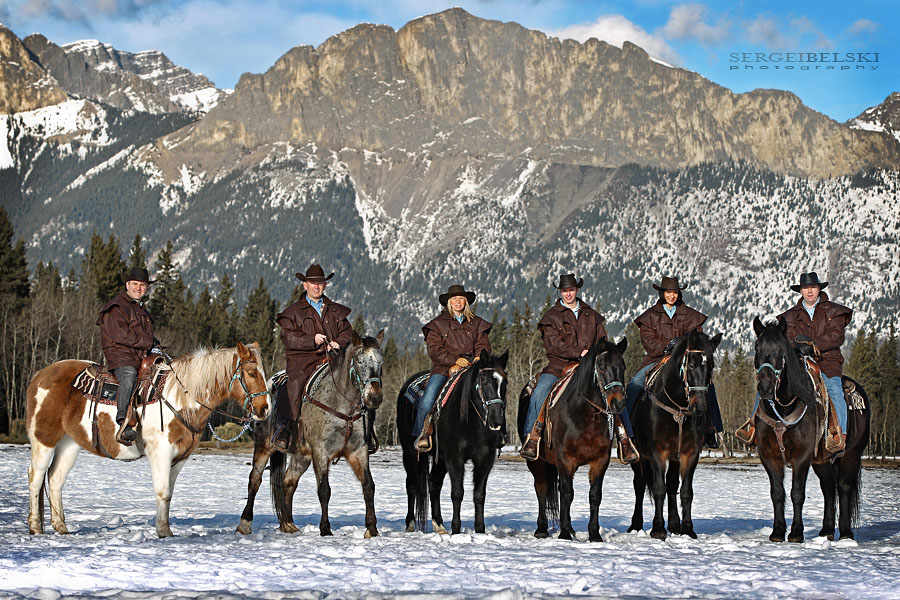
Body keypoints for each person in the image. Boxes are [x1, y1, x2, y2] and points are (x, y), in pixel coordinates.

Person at [520, 273, 637, 461]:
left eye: (571, 290)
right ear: (560, 292)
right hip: (559, 366)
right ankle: (532, 437)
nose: (568, 294)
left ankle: (625, 439)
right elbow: (552, 344)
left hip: (590, 368)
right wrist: (578, 352)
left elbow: (602, 342)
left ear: (577, 290)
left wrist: (596, 355)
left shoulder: (591, 314)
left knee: (614, 391)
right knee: (540, 392)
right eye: (565, 291)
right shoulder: (551, 316)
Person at [738, 272, 851, 453]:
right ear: (801, 291)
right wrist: (797, 347)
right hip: (797, 361)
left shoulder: (833, 311)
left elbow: (836, 337)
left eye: (813, 288)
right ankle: (753, 426)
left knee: (834, 389)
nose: (810, 292)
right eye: (806, 288)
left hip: (827, 361)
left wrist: (813, 345)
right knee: (767, 383)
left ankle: (839, 433)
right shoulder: (789, 316)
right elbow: (785, 340)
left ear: (819, 289)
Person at [624, 276, 723, 448]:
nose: (672, 296)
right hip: (656, 359)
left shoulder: (690, 315)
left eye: (675, 292)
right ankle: (627, 431)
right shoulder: (650, 316)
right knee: (634, 385)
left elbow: (698, 339)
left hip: (685, 360)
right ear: (662, 293)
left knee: (707, 385)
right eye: (668, 292)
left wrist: (682, 348)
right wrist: (668, 346)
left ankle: (711, 428)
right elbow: (648, 342)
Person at [273, 264, 353, 452]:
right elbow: (287, 337)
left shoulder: (335, 310)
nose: (316, 287)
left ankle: (361, 431)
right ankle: (285, 428)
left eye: (320, 283)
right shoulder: (293, 312)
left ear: (325, 285)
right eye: (312, 283)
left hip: (332, 360)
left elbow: (348, 331)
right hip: (303, 361)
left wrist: (338, 343)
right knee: (293, 385)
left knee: (359, 383)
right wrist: (312, 340)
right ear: (305, 285)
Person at [413, 284, 492, 451]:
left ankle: (497, 432)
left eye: (461, 298)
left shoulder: (477, 323)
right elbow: (434, 351)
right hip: (443, 369)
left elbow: (483, 344)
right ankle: (422, 433)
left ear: (466, 302)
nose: (458, 302)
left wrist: (479, 357)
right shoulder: (437, 324)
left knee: (494, 394)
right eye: (454, 299)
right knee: (428, 400)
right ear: (448, 302)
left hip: (472, 368)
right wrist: (454, 361)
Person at [97, 267, 156, 445]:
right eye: (135, 284)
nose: (139, 288)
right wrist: (148, 344)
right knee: (129, 376)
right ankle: (123, 421)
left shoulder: (141, 310)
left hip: (139, 356)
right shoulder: (116, 307)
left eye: (142, 285)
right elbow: (120, 335)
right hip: (121, 356)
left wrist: (157, 345)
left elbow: (147, 336)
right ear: (127, 285)